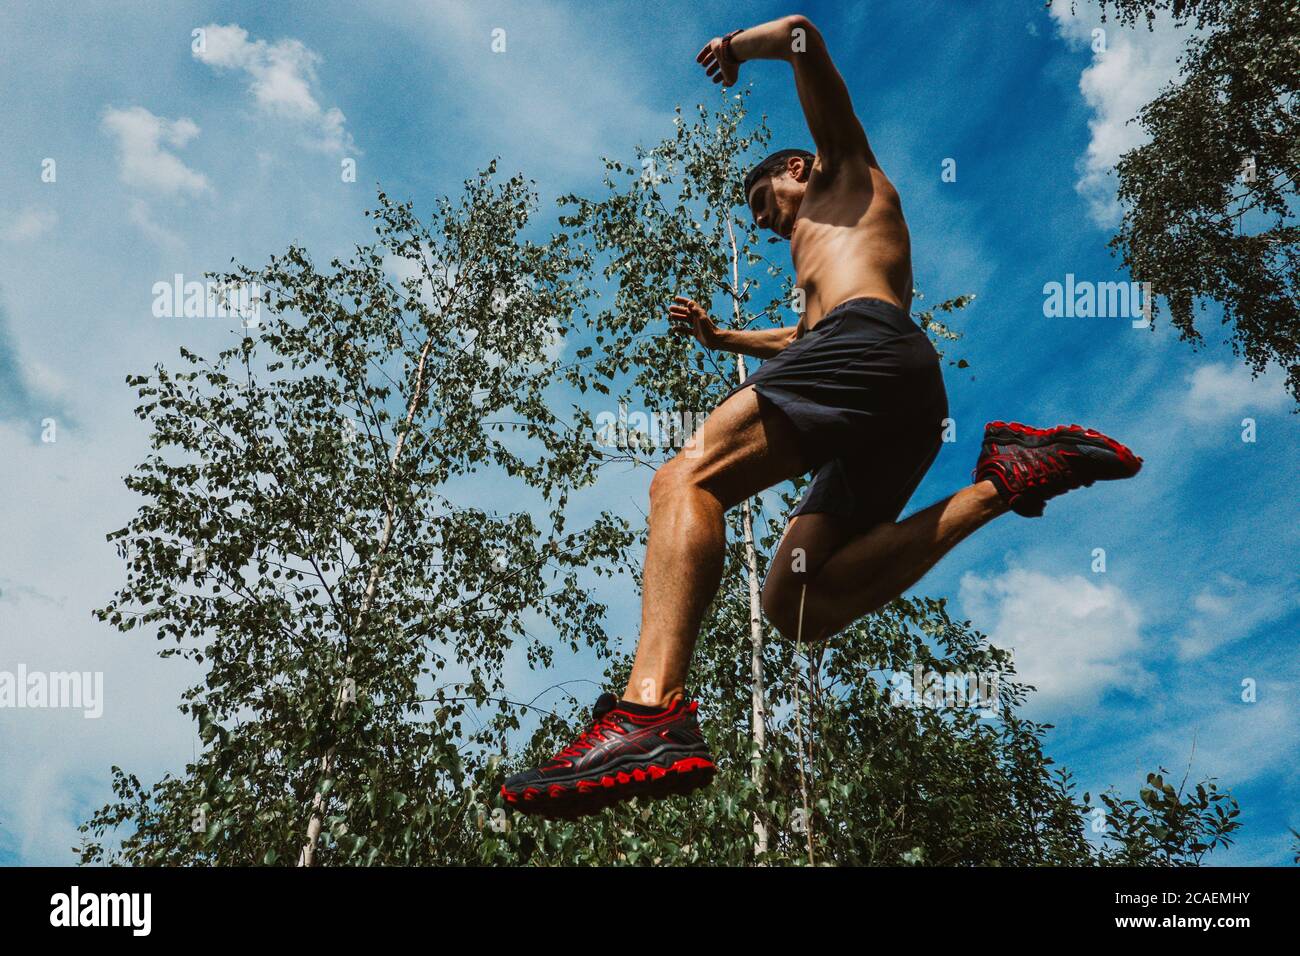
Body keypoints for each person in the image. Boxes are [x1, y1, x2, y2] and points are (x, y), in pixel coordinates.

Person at [502, 14, 1141, 817]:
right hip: (891, 395)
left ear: (800, 168)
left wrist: (734, 49)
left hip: (867, 345)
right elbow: (800, 339)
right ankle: (1005, 480)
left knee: (685, 477)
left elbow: (803, 33)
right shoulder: (823, 258)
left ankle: (648, 710)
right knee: (796, 604)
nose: (767, 224)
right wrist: (721, 335)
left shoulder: (845, 176)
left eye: (766, 202)